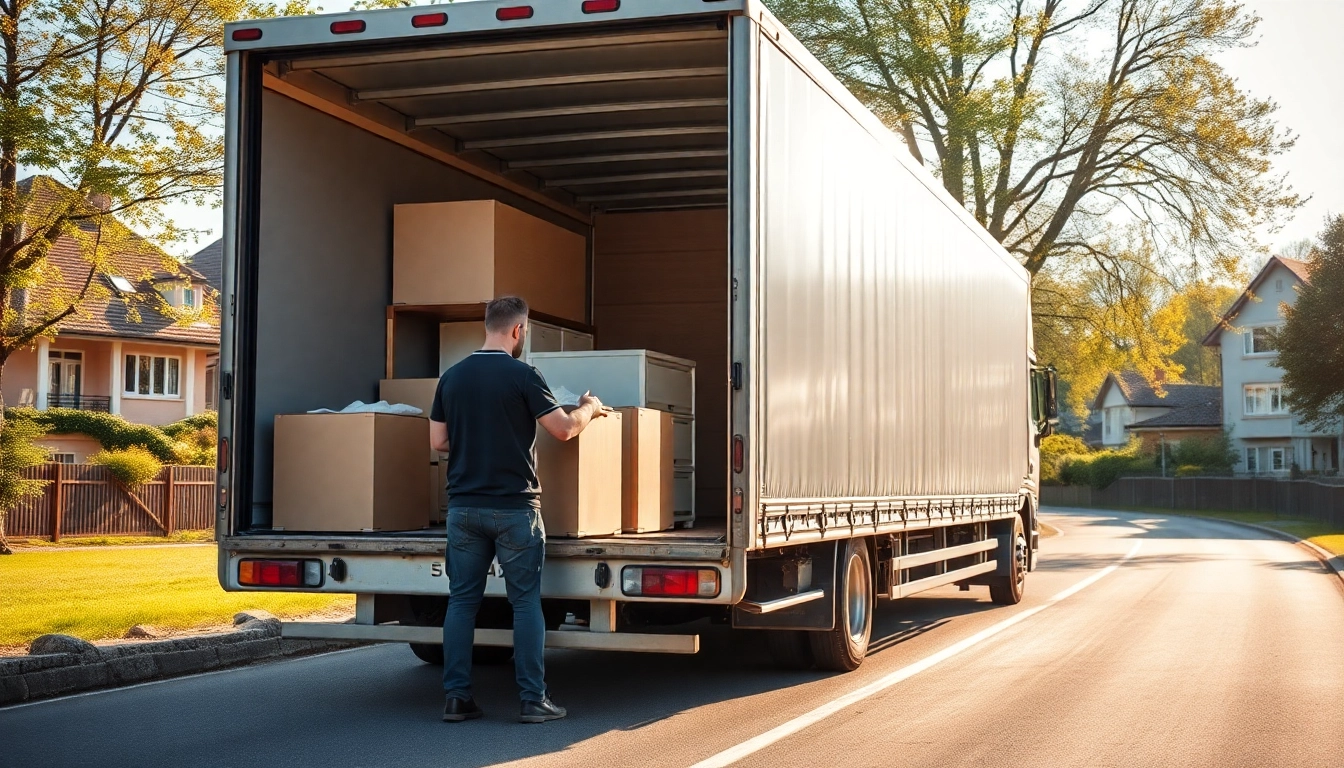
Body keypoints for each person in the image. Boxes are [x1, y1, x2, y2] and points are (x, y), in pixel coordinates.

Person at [429, 296, 604, 724]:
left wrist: (475, 442)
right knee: (525, 603)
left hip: (464, 509)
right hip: (515, 510)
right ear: (518, 330)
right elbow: (562, 430)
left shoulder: (451, 378)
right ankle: (532, 699)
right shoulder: (524, 375)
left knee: (461, 602)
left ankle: (457, 698)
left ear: (487, 325)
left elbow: (438, 442)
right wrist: (590, 409)